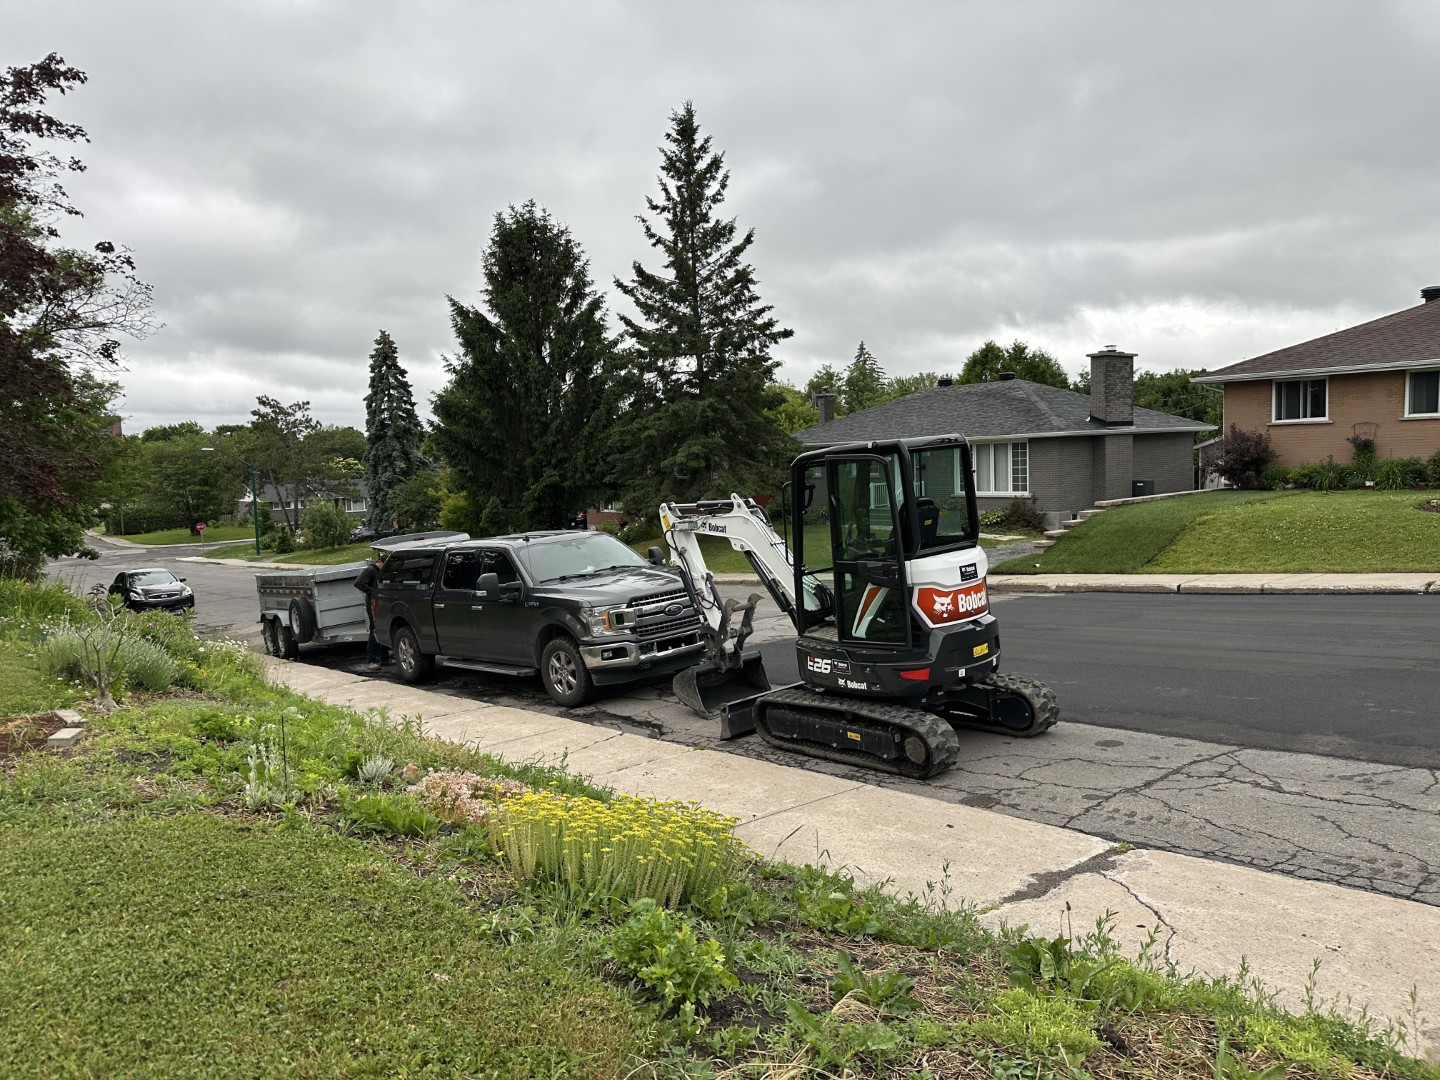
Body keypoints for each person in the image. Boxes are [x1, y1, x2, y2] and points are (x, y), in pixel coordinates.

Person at [353, 554, 387, 671]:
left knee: (383, 628)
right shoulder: (370, 570)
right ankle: (371, 660)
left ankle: (385, 658)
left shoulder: (380, 571)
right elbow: (358, 583)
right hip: (372, 603)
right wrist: (373, 592)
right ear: (380, 562)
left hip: (380, 603)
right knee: (374, 629)